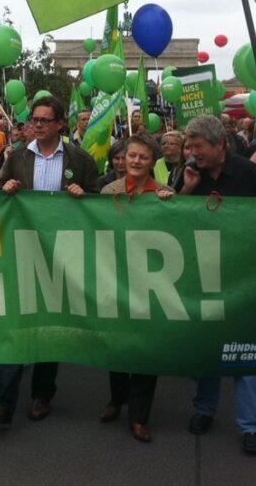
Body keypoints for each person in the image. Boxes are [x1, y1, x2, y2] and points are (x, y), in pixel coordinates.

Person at [0, 95, 98, 425]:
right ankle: (2, 401)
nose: (37, 125)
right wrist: (4, 187)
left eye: (44, 121)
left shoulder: (80, 158)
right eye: (34, 120)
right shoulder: (18, 157)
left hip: (61, 254)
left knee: (49, 328)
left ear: (61, 124)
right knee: (14, 325)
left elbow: (98, 200)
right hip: (21, 251)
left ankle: (42, 394)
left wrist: (83, 196)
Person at [177, 114, 256, 455]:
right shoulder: (190, 174)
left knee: (243, 352)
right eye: (188, 146)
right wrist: (188, 189)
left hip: (243, 276)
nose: (192, 152)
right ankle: (204, 409)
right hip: (204, 275)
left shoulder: (250, 173)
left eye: (198, 146)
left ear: (220, 145)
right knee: (207, 347)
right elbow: (174, 221)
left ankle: (251, 425)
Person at [98, 133, 173, 443]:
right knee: (117, 343)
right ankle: (117, 399)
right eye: (132, 156)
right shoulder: (108, 191)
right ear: (123, 158)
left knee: (146, 346)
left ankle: (139, 417)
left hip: (151, 282)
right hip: (116, 276)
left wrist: (171, 205)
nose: (136, 161)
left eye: (143, 157)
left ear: (152, 162)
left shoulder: (165, 193)